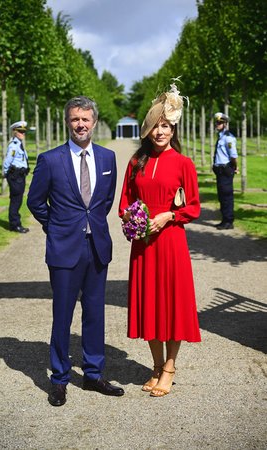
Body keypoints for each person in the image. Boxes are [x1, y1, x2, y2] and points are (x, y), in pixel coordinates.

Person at [27, 96, 124, 406]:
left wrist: (90, 224)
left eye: (85, 119)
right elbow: (35, 201)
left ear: (94, 122)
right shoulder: (50, 159)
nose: (80, 124)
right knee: (63, 315)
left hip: (97, 247)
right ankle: (59, 380)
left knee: (95, 313)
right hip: (64, 248)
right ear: (67, 122)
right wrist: (55, 226)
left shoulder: (108, 159)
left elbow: (105, 202)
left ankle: (94, 375)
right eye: (74, 119)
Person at [119, 83, 201, 398]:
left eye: (165, 126)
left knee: (172, 304)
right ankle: (154, 366)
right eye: (155, 126)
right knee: (149, 303)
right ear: (148, 130)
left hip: (171, 242)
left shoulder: (183, 163)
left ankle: (169, 367)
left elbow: (193, 206)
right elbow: (125, 200)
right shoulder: (136, 162)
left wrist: (169, 215)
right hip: (143, 243)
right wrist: (129, 215)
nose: (160, 132)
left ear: (172, 128)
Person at [212, 112, 238, 230]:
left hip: (226, 169)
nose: (218, 124)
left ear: (225, 124)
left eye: (220, 122)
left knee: (227, 196)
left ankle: (229, 221)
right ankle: (224, 220)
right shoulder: (221, 136)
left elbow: (233, 156)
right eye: (217, 122)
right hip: (220, 171)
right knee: (222, 196)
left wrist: (235, 167)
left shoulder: (228, 138)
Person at [3, 121, 30, 233]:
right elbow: (7, 161)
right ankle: (15, 225)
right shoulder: (14, 146)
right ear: (14, 132)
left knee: (17, 200)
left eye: (23, 132)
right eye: (20, 131)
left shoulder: (19, 144)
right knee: (16, 200)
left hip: (20, 175)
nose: (22, 134)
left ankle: (15, 223)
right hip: (15, 176)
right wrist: (6, 173)